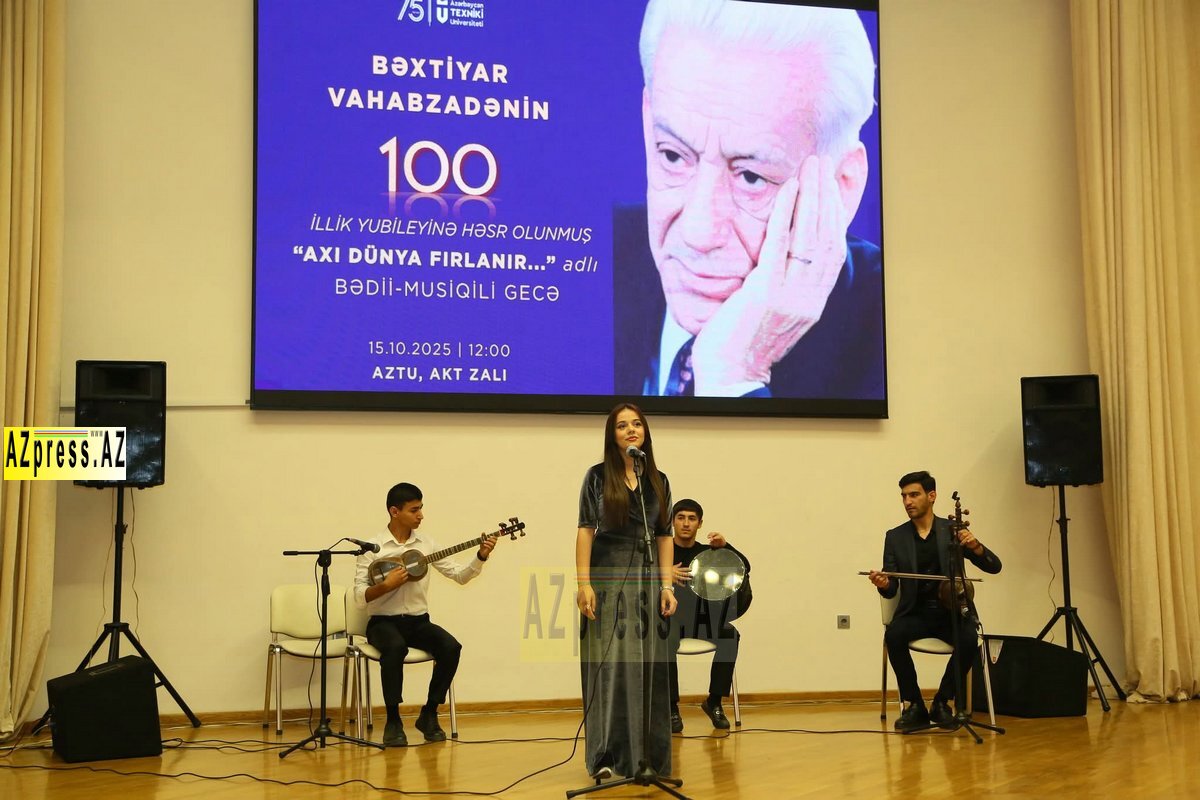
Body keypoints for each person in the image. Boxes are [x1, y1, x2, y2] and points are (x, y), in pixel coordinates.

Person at [613, 0, 884, 400]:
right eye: (672, 156)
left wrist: (734, 376)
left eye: (751, 178)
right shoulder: (597, 260)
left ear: (842, 185)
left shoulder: (891, 334)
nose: (698, 232)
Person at [575, 403, 678, 780]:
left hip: (647, 583)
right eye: (622, 425)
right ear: (612, 435)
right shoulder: (597, 476)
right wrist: (583, 583)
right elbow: (585, 531)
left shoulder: (658, 480)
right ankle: (605, 756)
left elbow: (664, 535)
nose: (631, 430)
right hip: (607, 578)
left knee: (647, 669)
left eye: (637, 424)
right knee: (609, 670)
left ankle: (647, 759)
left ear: (645, 432)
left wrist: (666, 586)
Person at [353, 482, 498, 747]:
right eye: (414, 510)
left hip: (418, 621)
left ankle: (429, 714)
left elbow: (459, 575)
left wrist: (481, 555)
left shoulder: (427, 544)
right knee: (395, 648)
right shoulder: (373, 548)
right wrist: (385, 586)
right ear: (394, 511)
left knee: (451, 647)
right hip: (383, 623)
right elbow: (359, 597)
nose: (421, 515)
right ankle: (393, 720)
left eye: (421, 508)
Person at [868, 471, 1002, 732]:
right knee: (894, 635)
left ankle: (942, 702)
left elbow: (994, 567)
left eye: (914, 495)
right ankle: (915, 705)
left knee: (968, 638)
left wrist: (975, 546)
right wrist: (884, 584)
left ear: (932, 496)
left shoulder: (952, 531)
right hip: (914, 613)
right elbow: (892, 587)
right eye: (904, 496)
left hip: (949, 613)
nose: (907, 501)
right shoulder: (895, 537)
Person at [666, 498, 750, 733]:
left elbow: (744, 567)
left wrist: (726, 546)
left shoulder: (708, 552)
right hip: (670, 619)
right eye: (681, 518)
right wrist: (663, 572)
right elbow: (639, 573)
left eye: (692, 519)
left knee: (730, 635)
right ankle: (671, 707)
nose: (686, 523)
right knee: (664, 637)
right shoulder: (662, 551)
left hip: (702, 620)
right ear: (672, 522)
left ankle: (714, 702)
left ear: (700, 524)